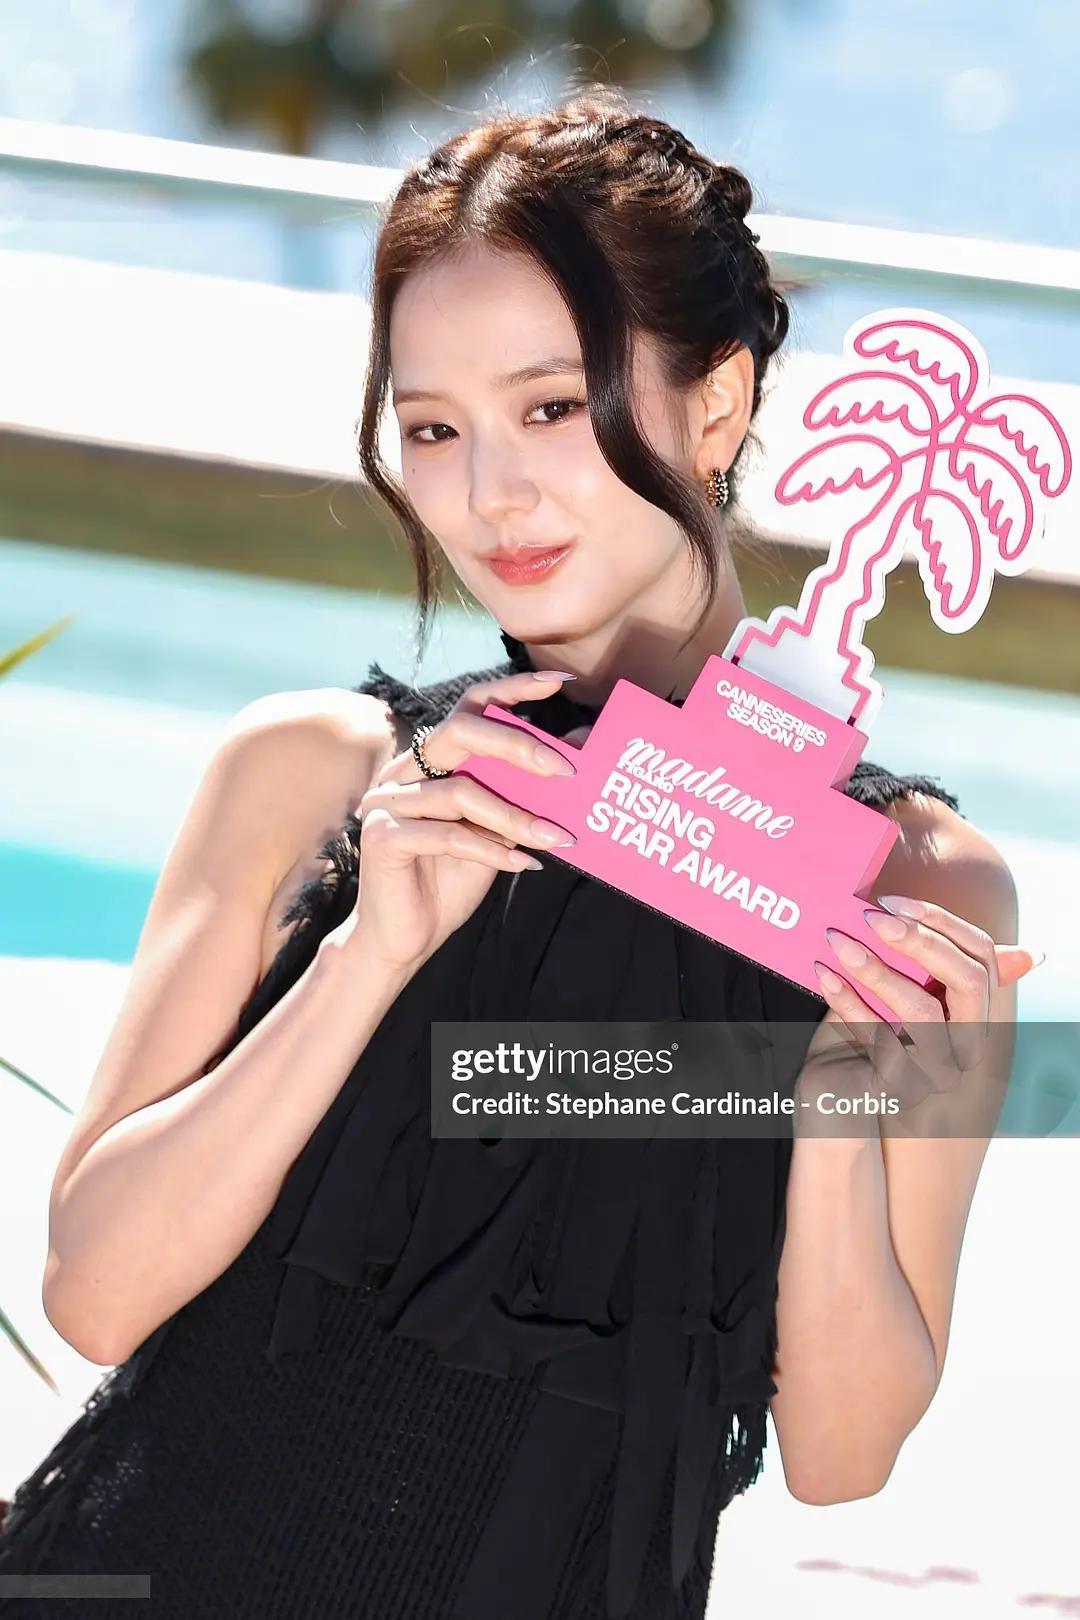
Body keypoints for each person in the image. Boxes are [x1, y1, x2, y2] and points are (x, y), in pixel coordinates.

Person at [0, 85, 1037, 1620]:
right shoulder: (312, 778)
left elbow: (844, 1453)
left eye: (550, 408)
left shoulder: (914, 892)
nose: (488, 493)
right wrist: (366, 961)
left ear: (717, 403)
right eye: (433, 428)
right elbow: (93, 1295)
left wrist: (829, 1110)